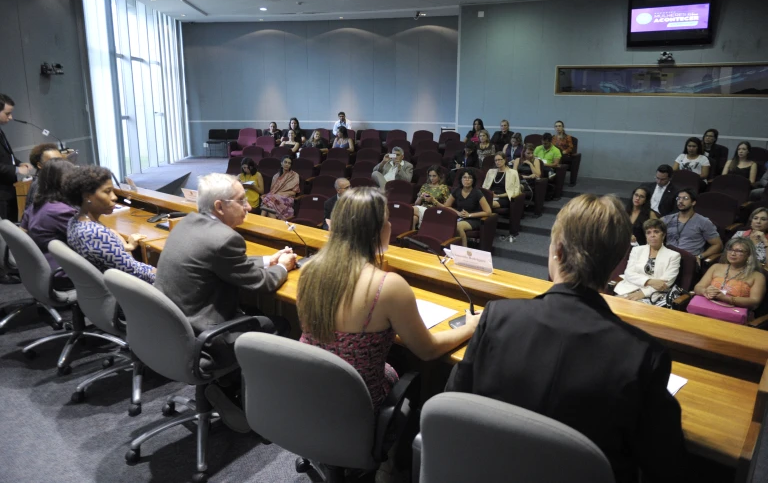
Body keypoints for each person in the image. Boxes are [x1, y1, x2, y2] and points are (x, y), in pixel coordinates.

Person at [446, 194, 687, 483]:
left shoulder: (496, 317)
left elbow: (452, 403)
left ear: (557, 251)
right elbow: (667, 467)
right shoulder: (645, 355)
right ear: (616, 264)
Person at [297, 187, 480, 410]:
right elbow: (428, 350)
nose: (391, 226)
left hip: (309, 392)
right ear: (374, 231)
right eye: (387, 220)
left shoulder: (307, 270)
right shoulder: (388, 286)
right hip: (358, 405)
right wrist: (470, 327)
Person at [155, 173, 296, 432]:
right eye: (241, 200)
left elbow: (228, 265)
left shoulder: (188, 223)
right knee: (281, 325)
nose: (249, 207)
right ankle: (255, 403)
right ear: (220, 206)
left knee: (251, 313)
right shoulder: (225, 239)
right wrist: (284, 268)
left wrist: (268, 260)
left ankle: (227, 385)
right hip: (204, 337)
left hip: (172, 332)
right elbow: (263, 285)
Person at [64, 165, 155, 284]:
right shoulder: (96, 233)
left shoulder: (75, 221)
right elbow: (135, 272)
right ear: (87, 196)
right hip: (127, 292)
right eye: (107, 192)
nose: (114, 197)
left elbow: (105, 257)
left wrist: (124, 247)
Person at [0, 93, 32, 283]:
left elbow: (5, 157)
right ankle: (0, 272)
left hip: (6, 189)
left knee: (9, 231)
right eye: (7, 113)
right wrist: (15, 169)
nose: (10, 118)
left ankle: (9, 266)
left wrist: (21, 164)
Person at [20, 158, 77, 290]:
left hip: (41, 269)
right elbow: (90, 242)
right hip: (64, 274)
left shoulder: (37, 205)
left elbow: (22, 230)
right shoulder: (61, 211)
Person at [692, 237, 766, 313]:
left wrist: (727, 299)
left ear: (749, 254)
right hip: (707, 307)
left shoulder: (758, 276)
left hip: (734, 314)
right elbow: (698, 287)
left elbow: (755, 301)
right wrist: (705, 291)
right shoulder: (716, 267)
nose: (733, 254)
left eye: (739, 251)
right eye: (730, 249)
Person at [614, 219, 681, 301]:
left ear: (663, 235)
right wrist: (649, 281)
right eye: (648, 232)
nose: (652, 235)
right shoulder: (637, 250)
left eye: (656, 232)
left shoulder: (674, 256)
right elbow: (629, 273)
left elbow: (665, 283)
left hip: (654, 294)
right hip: (630, 288)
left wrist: (643, 293)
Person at [661, 188, 722, 266]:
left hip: (688, 260)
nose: (680, 201)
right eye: (678, 198)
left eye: (685, 198)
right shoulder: (667, 219)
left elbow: (717, 245)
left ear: (693, 202)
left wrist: (700, 256)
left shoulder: (703, 222)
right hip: (667, 258)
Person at [443, 169, 492, 248]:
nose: (467, 180)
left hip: (474, 219)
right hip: (460, 216)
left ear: (473, 180)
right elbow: (446, 206)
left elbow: (488, 212)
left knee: (458, 226)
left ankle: (464, 250)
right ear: (461, 179)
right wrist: (458, 213)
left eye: (469, 178)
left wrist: (469, 215)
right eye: (464, 177)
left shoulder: (477, 192)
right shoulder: (457, 190)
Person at [25, 143, 62, 208]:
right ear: (39, 165)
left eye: (61, 160)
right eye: (54, 161)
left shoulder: (50, 180)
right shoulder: (40, 187)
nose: (60, 164)